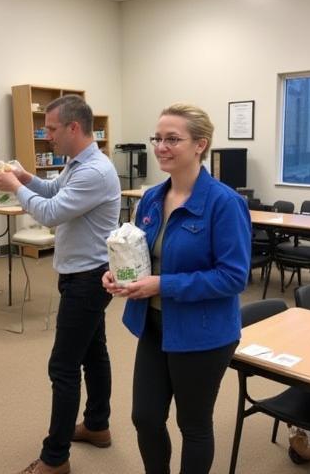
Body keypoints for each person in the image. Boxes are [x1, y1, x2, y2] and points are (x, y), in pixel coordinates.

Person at [103, 105, 250, 474]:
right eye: (158, 138)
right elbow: (139, 250)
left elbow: (233, 277)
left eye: (172, 139)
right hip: (154, 325)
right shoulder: (152, 197)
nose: (160, 147)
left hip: (203, 333)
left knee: (193, 424)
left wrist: (162, 284)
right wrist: (118, 274)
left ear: (200, 144)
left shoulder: (224, 203)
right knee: (146, 418)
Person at [0, 94, 121, 474]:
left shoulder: (94, 171)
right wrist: (28, 178)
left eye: (52, 128)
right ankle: (97, 425)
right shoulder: (79, 163)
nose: (48, 136)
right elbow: (51, 191)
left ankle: (55, 458)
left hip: (88, 279)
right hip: (83, 274)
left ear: (74, 128)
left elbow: (49, 212)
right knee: (94, 353)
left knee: (62, 367)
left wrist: (15, 187)